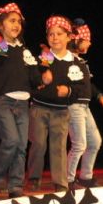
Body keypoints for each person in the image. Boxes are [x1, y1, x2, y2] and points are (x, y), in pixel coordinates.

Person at [0, 2, 42, 198]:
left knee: (22, 145)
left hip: (23, 102)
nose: (16, 25)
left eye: (18, 22)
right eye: (11, 21)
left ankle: (15, 185)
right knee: (11, 140)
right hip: (3, 100)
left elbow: (34, 77)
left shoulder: (24, 50)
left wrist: (42, 78)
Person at [26, 15, 82, 192]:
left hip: (61, 111)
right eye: (51, 34)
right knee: (38, 144)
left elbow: (81, 88)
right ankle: (34, 177)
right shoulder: (42, 58)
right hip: (39, 108)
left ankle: (60, 182)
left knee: (58, 146)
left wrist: (69, 91)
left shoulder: (75, 62)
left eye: (59, 34)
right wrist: (41, 77)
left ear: (68, 37)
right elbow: (31, 78)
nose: (55, 37)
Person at [66, 19, 103, 190]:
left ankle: (85, 177)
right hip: (73, 106)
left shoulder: (80, 62)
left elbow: (88, 84)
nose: (89, 44)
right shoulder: (67, 60)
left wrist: (99, 95)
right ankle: (67, 180)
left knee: (95, 141)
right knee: (79, 144)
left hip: (84, 106)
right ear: (77, 40)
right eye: (87, 40)